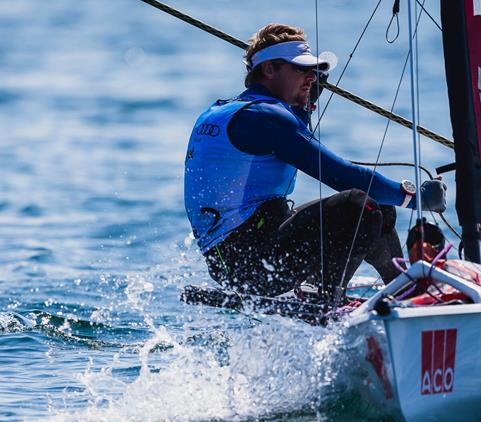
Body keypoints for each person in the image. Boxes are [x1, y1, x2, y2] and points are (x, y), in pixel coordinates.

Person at [184, 23, 446, 302]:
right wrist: (414, 197)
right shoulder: (263, 117)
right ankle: (322, 295)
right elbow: (340, 174)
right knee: (358, 206)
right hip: (249, 263)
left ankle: (404, 291)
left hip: (246, 250)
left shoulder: (232, 109)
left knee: (376, 202)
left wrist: (302, 104)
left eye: (314, 71)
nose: (311, 78)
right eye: (301, 69)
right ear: (269, 70)